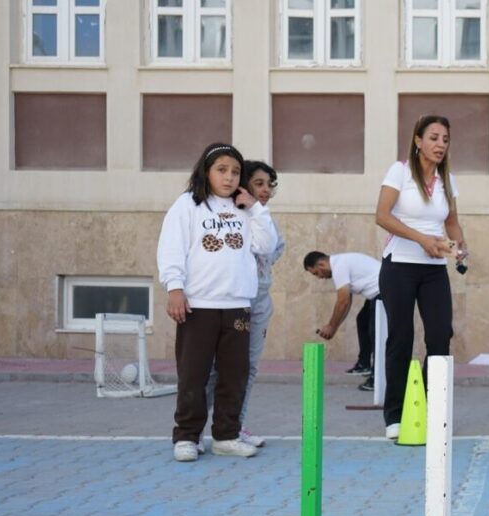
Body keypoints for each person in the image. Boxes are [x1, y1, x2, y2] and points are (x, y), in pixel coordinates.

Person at [156, 142, 279, 462]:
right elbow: (171, 248)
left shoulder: (244, 208)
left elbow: (267, 245)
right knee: (194, 374)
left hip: (238, 303)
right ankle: (186, 436)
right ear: (206, 171)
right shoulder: (188, 205)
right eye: (221, 170)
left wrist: (254, 207)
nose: (228, 178)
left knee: (234, 374)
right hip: (199, 304)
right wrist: (174, 288)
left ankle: (226, 435)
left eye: (235, 171)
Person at [375, 115, 468, 440]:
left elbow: (452, 222)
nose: (440, 144)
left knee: (440, 337)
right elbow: (382, 216)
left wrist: (460, 246)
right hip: (398, 264)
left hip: (434, 271)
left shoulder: (448, 181)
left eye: (445, 139)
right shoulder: (399, 172)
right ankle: (395, 415)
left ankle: (432, 408)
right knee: (400, 338)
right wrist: (423, 240)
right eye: (434, 137)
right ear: (418, 140)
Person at [201, 160, 284, 452]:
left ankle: (234, 427)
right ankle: (195, 430)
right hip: (232, 301)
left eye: (269, 186)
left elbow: (276, 248)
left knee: (247, 368)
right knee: (215, 369)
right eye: (258, 184)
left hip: (259, 302)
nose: (265, 191)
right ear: (243, 184)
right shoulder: (229, 215)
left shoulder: (263, 216)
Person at [303, 251, 382, 392]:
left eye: (316, 273)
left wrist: (331, 326)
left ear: (322, 264)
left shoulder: (339, 266)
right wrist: (334, 327)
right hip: (378, 293)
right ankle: (364, 364)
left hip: (384, 291)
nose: (319, 278)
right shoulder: (341, 263)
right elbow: (347, 302)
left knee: (375, 333)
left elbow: (343, 301)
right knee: (362, 321)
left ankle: (377, 379)